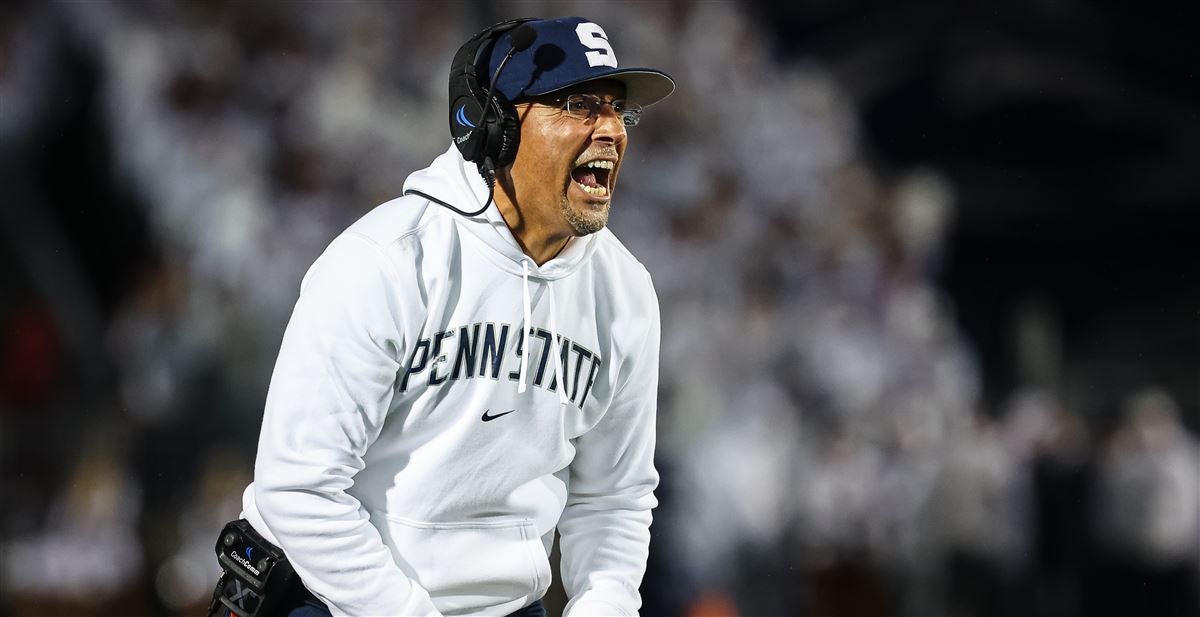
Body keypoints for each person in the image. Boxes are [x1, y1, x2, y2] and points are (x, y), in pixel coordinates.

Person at [224, 16, 674, 617]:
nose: (612, 130)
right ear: (493, 130)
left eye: (620, 111)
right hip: (333, 596)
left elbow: (614, 497)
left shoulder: (625, 292)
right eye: (579, 105)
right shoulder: (386, 261)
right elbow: (299, 491)